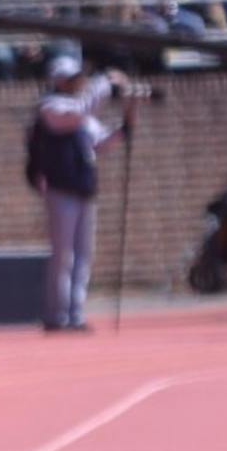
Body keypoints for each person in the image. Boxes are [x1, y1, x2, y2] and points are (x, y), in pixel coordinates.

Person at [25, 56, 135, 332]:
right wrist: (105, 82)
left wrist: (126, 126)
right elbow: (80, 112)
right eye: (73, 79)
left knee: (83, 254)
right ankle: (57, 315)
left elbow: (100, 142)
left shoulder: (83, 115)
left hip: (85, 189)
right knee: (63, 255)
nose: (79, 83)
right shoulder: (51, 106)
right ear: (59, 81)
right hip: (61, 189)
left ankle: (76, 313)